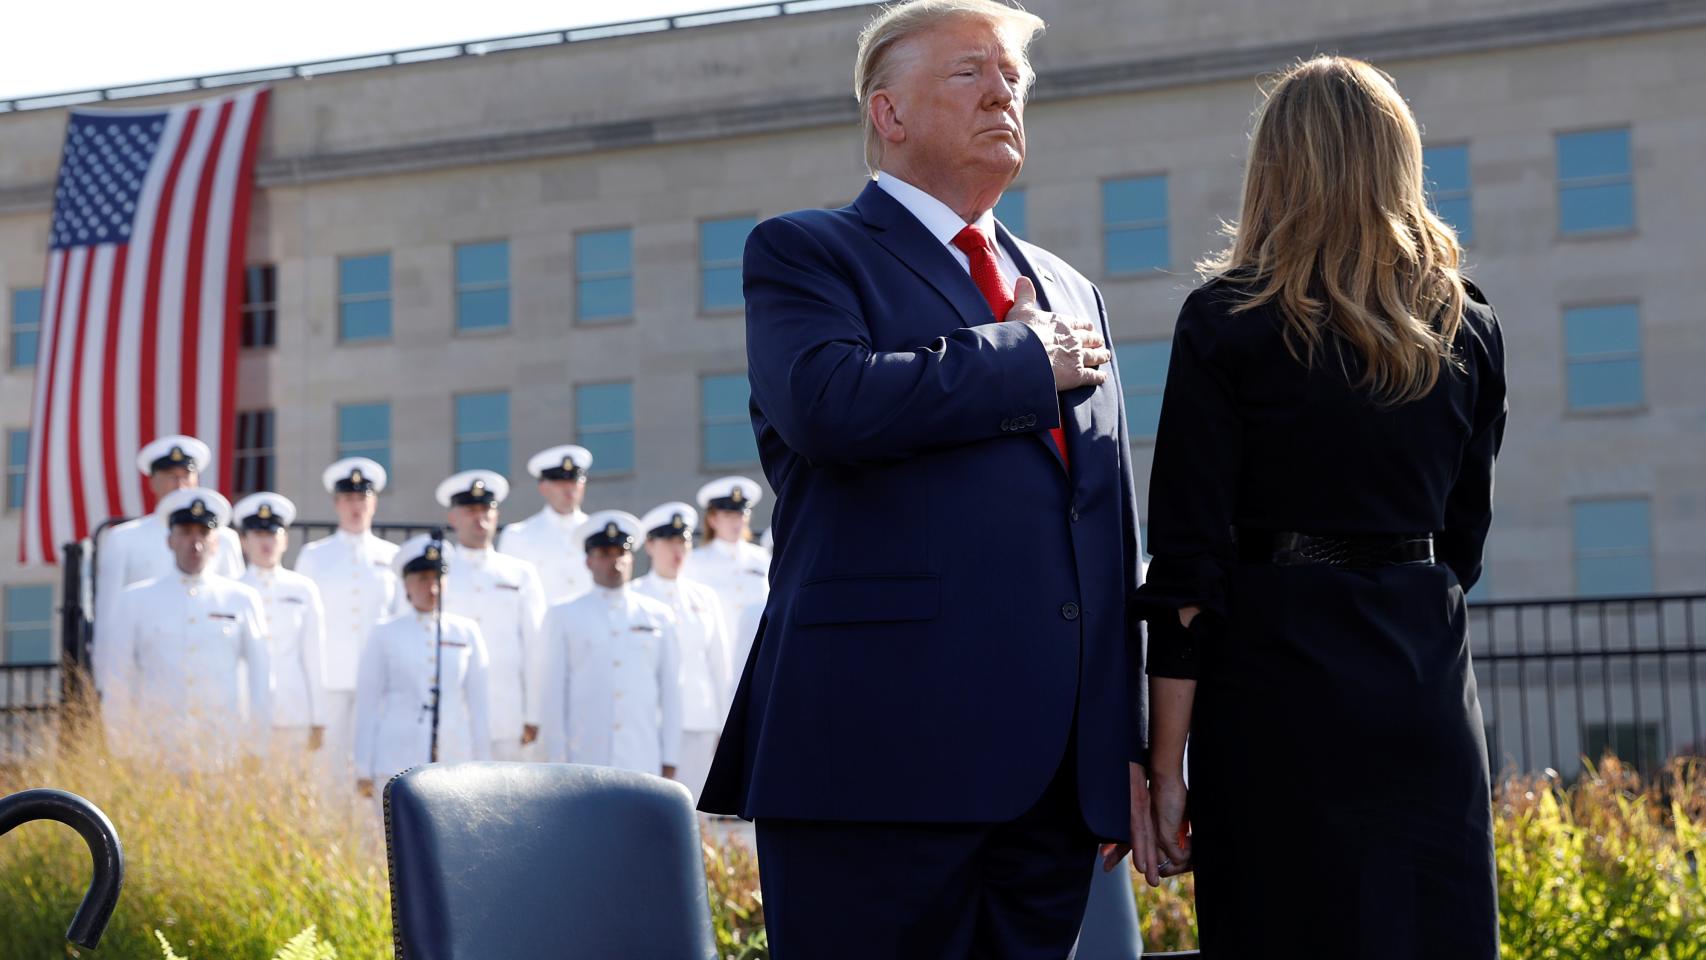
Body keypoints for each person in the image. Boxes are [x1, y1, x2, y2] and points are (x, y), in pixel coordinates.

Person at [699, 2, 1154, 955]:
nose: (1003, 94)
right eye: (968, 74)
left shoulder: (1074, 290)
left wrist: (1120, 748)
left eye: (1015, 78)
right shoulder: (806, 251)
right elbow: (830, 404)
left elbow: (1104, 526)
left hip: (1051, 799)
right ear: (888, 114)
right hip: (876, 771)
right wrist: (1022, 358)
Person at [1137, 56, 1506, 959]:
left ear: (1275, 168)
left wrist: (1165, 766)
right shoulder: (1469, 323)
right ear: (1399, 162)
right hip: (1423, 682)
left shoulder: (1224, 320)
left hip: (1275, 694)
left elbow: (1187, 569)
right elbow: (1465, 539)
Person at [99, 489, 272, 769]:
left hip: (222, 753)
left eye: (203, 533)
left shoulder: (241, 599)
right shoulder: (135, 600)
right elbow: (118, 677)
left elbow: (261, 679)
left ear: (216, 542)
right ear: (169, 540)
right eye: (186, 532)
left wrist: (256, 746)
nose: (195, 542)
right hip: (155, 753)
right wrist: (122, 750)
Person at [540, 511, 682, 779]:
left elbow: (672, 690)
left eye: (621, 553)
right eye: (604, 553)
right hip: (585, 757)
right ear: (588, 561)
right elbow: (553, 694)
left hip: (642, 755)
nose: (614, 561)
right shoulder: (563, 614)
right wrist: (557, 759)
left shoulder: (658, 615)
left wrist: (670, 755)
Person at [93, 435, 243, 688]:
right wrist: (106, 684)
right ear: (153, 482)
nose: (180, 483)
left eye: (186, 475)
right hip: (150, 675)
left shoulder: (224, 539)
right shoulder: (124, 539)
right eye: (171, 475)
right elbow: (109, 618)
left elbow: (236, 608)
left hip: (212, 675)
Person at [353, 535, 492, 801]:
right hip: (397, 757)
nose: (432, 588)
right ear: (406, 584)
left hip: (454, 758)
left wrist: (484, 764)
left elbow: (478, 705)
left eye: (437, 578)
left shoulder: (466, 632)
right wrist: (363, 767)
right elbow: (368, 704)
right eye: (423, 579)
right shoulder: (384, 633)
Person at [292, 458, 403, 784]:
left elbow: (399, 617)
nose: (356, 506)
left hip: (379, 681)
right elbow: (303, 624)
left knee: (378, 770)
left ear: (374, 502)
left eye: (362, 498)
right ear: (336, 504)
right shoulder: (314, 555)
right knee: (328, 771)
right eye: (349, 499)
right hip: (331, 679)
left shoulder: (393, 556)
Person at [435, 470, 548, 761]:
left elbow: (536, 646)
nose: (480, 517)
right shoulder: (437, 573)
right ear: (453, 517)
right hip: (451, 716)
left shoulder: (520, 573)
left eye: (486, 509)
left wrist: (533, 713)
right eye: (470, 510)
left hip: (506, 713)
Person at [633, 501, 732, 799]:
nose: (678, 550)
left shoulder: (704, 597)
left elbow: (719, 665)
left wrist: (723, 725)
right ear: (649, 544)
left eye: (683, 541)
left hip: (699, 719)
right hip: (653, 722)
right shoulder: (636, 596)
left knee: (696, 812)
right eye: (668, 541)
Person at [233, 492, 329, 757]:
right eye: (258, 535)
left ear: (285, 540)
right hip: (245, 713)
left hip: (294, 712)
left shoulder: (303, 589)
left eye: (273, 534)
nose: (266, 542)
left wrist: (318, 717)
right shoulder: (231, 590)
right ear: (244, 541)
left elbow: (313, 655)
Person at [496, 445, 595, 604]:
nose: (568, 488)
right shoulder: (518, 535)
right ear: (543, 487)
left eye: (574, 480)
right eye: (559, 482)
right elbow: (509, 599)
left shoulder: (596, 531)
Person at [683, 476, 770, 655]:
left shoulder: (762, 558)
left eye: (740, 514)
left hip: (758, 656)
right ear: (712, 519)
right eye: (728, 515)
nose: (736, 521)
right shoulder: (694, 562)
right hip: (715, 658)